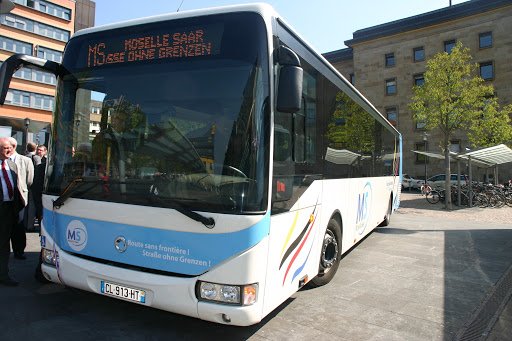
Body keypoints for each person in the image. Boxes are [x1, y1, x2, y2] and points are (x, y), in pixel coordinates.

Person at [0, 137, 26, 286]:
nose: (9, 150)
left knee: (4, 244)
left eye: (10, 147)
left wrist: (19, 207)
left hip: (9, 210)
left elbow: (17, 188)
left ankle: (3, 275)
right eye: (5, 148)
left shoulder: (12, 165)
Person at [7, 137, 34, 260]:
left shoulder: (25, 160)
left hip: (19, 198)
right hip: (4, 199)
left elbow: (29, 180)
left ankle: (19, 250)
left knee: (18, 225)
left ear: (12, 147)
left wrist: (21, 190)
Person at [24, 142, 41, 232]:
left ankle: (23, 222)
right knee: (31, 205)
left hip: (23, 183)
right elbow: (38, 171)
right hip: (33, 184)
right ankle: (30, 225)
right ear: (36, 148)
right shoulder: (37, 158)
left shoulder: (23, 157)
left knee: (24, 204)